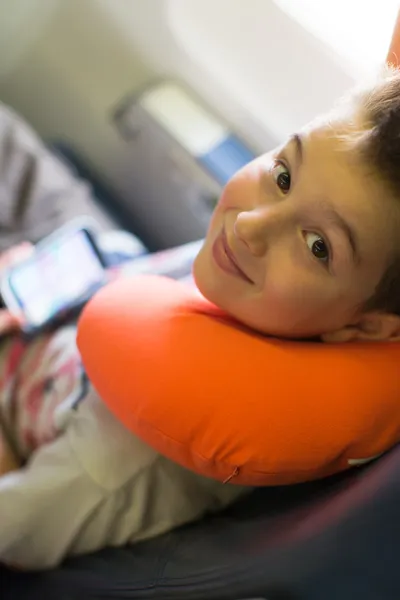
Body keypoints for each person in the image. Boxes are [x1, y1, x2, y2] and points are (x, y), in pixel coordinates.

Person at [2, 64, 400, 570]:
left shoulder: (125, 457)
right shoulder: (246, 280)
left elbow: (13, 531)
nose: (251, 224)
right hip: (65, 294)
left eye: (318, 245)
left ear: (364, 326)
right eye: (283, 174)